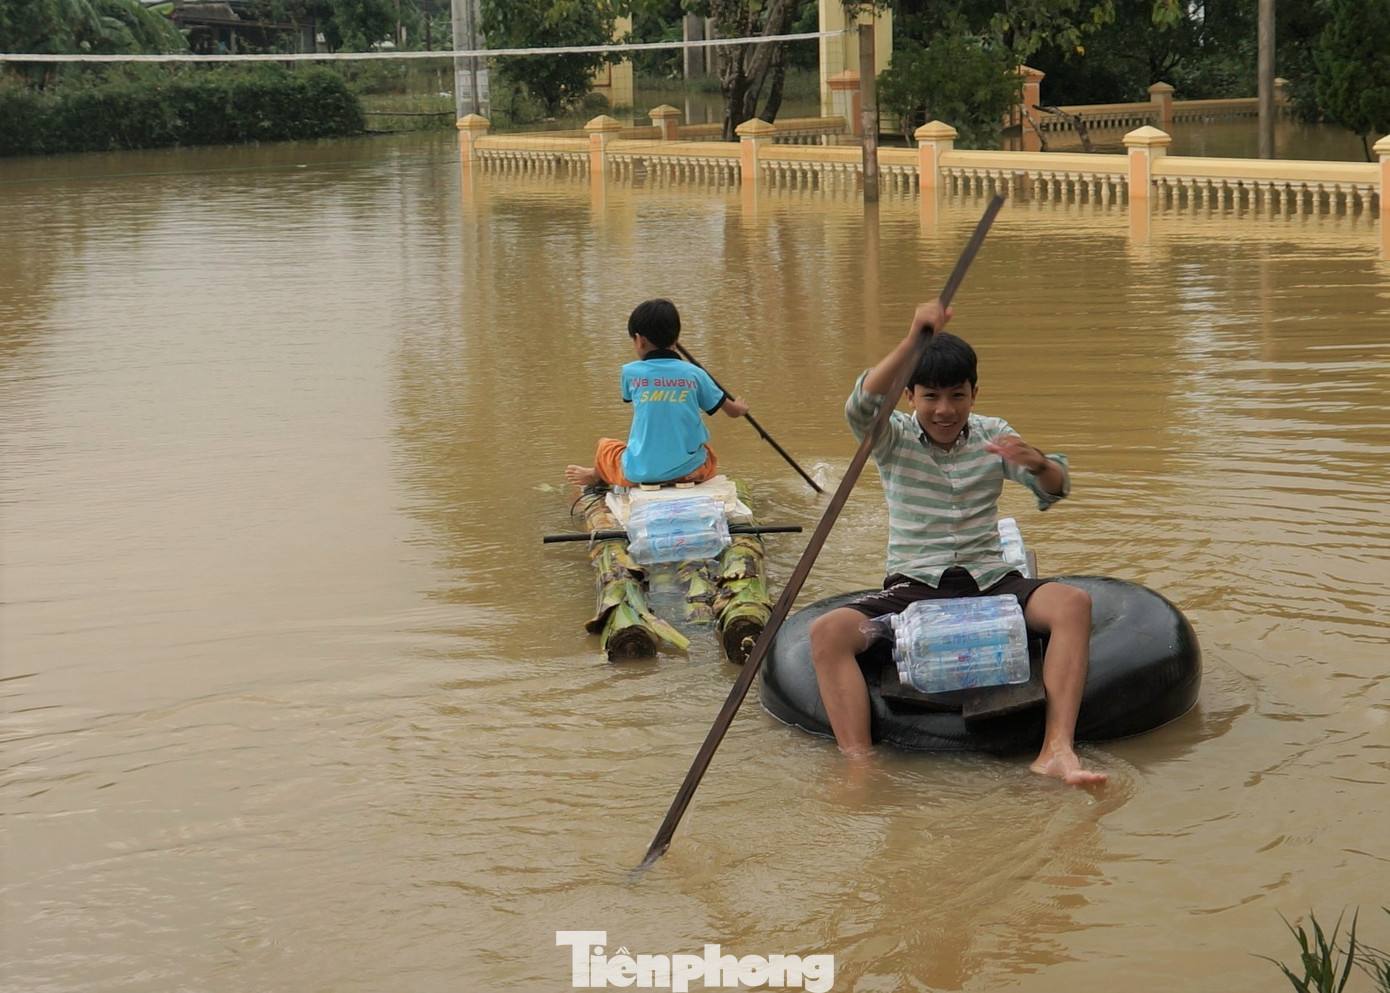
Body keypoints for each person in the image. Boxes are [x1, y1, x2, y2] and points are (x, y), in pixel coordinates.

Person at [808, 300, 1107, 786]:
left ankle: (1057, 750)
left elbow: (1057, 488)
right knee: (827, 634)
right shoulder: (892, 438)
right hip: (913, 588)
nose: (944, 409)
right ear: (908, 396)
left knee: (1073, 604)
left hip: (992, 581)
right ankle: (859, 767)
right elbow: (859, 404)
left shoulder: (994, 434)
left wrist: (1036, 462)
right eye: (930, 396)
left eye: (957, 395)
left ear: (974, 393)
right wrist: (912, 340)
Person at [566, 299, 749, 489]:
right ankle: (680, 473)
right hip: (691, 472)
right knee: (707, 451)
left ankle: (595, 475)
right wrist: (741, 407)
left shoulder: (629, 372)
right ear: (676, 338)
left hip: (641, 473)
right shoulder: (694, 373)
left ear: (639, 340)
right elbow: (732, 412)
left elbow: (629, 397)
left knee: (606, 447)